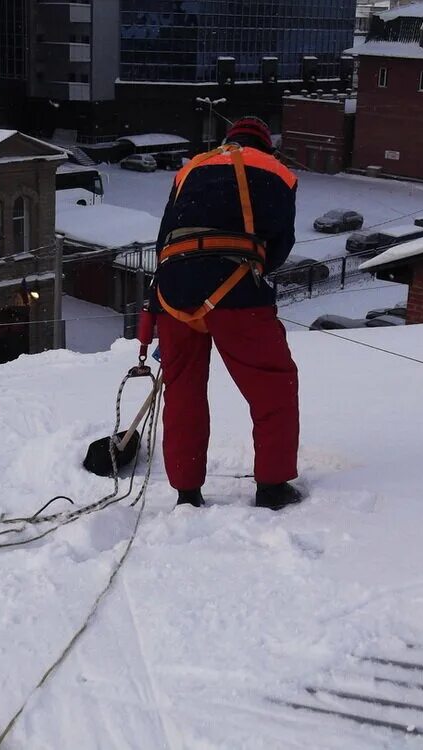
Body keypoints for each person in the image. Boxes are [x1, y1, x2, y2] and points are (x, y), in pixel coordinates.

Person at [151, 116, 302, 511]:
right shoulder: (279, 173)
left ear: (226, 140)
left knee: (183, 391)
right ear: (268, 146)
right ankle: (272, 486)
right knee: (273, 385)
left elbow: (165, 237)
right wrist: (252, 273)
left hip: (174, 289)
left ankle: (186, 492)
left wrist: (155, 306)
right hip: (236, 287)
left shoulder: (191, 168)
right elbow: (281, 243)